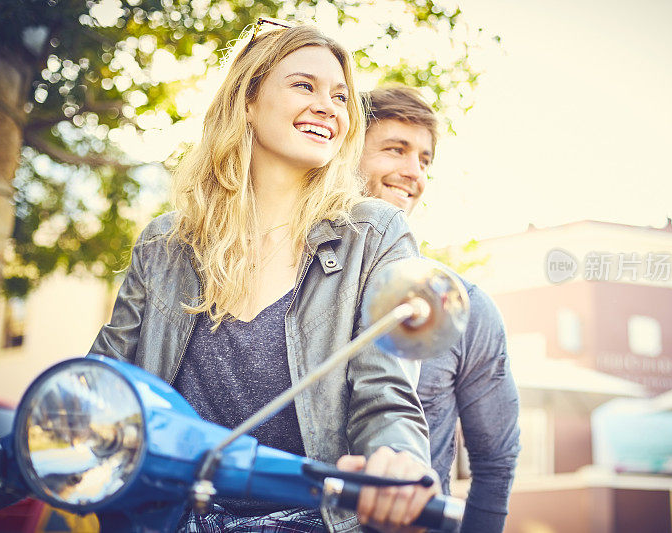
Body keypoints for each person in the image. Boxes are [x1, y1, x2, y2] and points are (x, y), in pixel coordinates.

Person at [90, 23, 438, 533]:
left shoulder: (375, 234)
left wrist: (398, 457)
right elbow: (103, 383)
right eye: (304, 86)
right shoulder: (163, 244)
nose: (329, 107)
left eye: (340, 96)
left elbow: (386, 392)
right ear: (247, 101)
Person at [359, 86, 521, 532]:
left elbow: (495, 462)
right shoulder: (286, 288)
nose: (414, 173)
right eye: (396, 149)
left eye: (425, 159)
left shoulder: (463, 307)